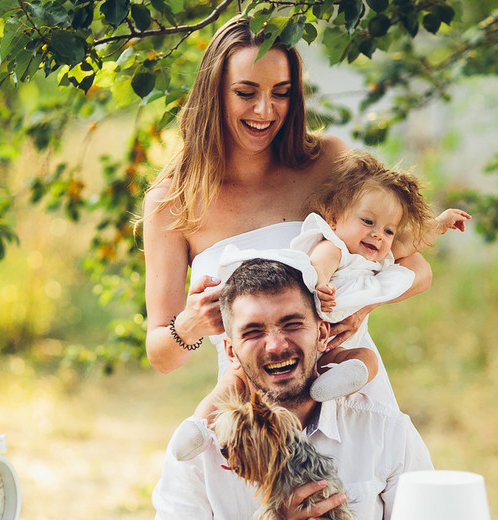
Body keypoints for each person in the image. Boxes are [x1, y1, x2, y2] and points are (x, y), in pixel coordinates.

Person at [142, 15, 432, 415]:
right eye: (246, 92)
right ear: (215, 94)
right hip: (256, 419)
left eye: (281, 93)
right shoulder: (171, 201)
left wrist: (363, 304)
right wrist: (191, 323)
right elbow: (161, 355)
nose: (265, 111)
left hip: (352, 400)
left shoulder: (328, 162)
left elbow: (413, 266)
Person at [167, 149, 470, 461]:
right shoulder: (335, 246)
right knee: (234, 384)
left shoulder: (376, 256)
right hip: (290, 343)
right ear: (336, 218)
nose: (378, 235)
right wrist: (323, 282)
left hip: (331, 344)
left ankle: (332, 382)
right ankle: (198, 427)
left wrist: (441, 222)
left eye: (387, 230)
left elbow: (410, 244)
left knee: (366, 359)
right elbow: (319, 264)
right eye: (368, 222)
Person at [153, 258, 434, 519]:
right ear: (230, 351)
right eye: (253, 332)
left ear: (323, 334)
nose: (276, 345)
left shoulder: (386, 431)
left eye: (292, 324)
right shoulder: (198, 454)